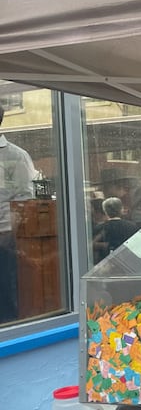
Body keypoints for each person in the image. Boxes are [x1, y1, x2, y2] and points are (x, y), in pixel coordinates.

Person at [0, 104, 37, 323]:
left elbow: (23, 202)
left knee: (5, 296)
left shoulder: (16, 156)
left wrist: (7, 237)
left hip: (3, 241)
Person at [92, 197, 139, 262]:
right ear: (121, 209)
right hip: (128, 262)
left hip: (105, 263)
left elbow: (92, 245)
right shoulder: (132, 226)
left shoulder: (100, 228)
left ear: (105, 211)